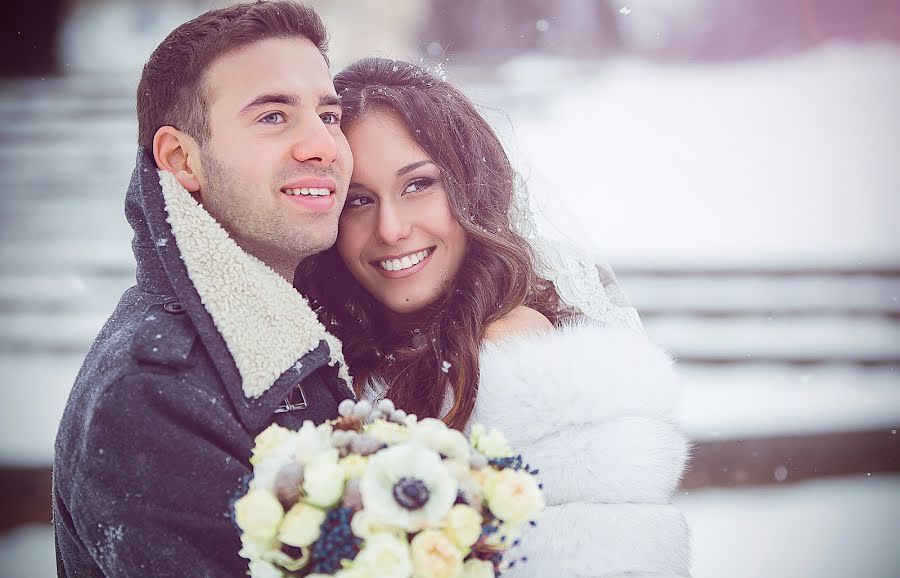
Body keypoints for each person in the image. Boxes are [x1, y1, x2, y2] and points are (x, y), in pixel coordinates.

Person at [296, 58, 693, 577]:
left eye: (418, 186)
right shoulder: (340, 353)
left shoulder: (522, 361)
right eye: (358, 201)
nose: (391, 228)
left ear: (473, 193)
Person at [52, 3, 355, 576]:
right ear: (181, 160)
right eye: (272, 117)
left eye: (329, 115)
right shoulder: (154, 395)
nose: (324, 146)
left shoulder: (299, 318)